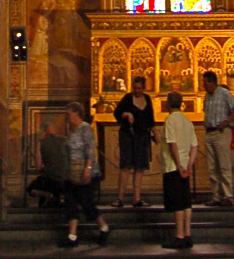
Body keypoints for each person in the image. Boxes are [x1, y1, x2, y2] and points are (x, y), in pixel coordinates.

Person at [62, 102, 109, 248]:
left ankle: (104, 228)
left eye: (69, 113)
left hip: (86, 172)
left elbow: (90, 149)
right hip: (72, 172)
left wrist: (88, 168)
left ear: (77, 113)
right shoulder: (69, 130)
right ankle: (72, 236)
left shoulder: (85, 128)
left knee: (86, 202)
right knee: (70, 202)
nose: (67, 116)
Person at [161, 90, 197, 249]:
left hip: (173, 167)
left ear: (168, 103)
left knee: (177, 202)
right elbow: (194, 146)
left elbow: (172, 144)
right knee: (186, 201)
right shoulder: (187, 120)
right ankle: (188, 234)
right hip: (185, 165)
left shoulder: (170, 120)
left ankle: (179, 235)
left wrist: (180, 166)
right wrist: (189, 165)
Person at [113, 75, 155, 207]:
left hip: (142, 136)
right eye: (135, 88)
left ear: (144, 88)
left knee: (139, 167)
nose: (137, 91)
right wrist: (126, 114)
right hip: (128, 135)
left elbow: (150, 118)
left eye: (139, 88)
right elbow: (117, 113)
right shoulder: (127, 98)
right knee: (126, 166)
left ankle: (137, 198)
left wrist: (155, 132)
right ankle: (120, 198)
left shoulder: (147, 99)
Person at [203, 70, 234, 205]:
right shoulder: (207, 96)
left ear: (213, 82)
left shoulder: (224, 93)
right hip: (209, 133)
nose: (204, 86)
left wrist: (228, 121)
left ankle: (228, 196)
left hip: (221, 133)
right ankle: (216, 196)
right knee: (212, 167)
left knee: (224, 165)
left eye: (206, 83)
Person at [26, 116, 67, 208]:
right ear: (54, 130)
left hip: (50, 180)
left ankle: (48, 195)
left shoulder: (41, 142)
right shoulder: (65, 140)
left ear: (44, 131)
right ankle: (61, 197)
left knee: (30, 189)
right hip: (66, 180)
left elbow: (38, 167)